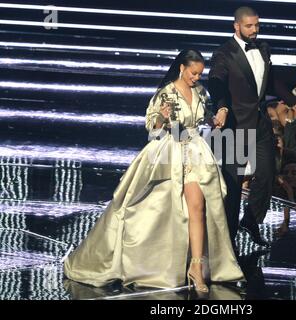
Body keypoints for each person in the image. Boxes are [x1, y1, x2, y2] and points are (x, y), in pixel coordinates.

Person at [63, 49, 244, 292]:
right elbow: (153, 129)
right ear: (182, 68)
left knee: (198, 206)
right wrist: (161, 117)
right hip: (171, 152)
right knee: (160, 210)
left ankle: (197, 266)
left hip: (197, 152)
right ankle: (157, 262)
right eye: (193, 73)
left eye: (200, 74)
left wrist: (217, 116)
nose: (197, 78)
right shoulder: (166, 93)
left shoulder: (200, 92)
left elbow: (202, 120)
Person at [208, 6, 296, 248]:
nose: (254, 30)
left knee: (268, 173)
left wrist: (295, 101)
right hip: (235, 125)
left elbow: (269, 81)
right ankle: (227, 239)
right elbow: (215, 82)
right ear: (236, 26)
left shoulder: (264, 48)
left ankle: (250, 219)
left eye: (257, 25)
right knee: (234, 183)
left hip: (259, 123)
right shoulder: (224, 54)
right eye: (249, 26)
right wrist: (220, 107)